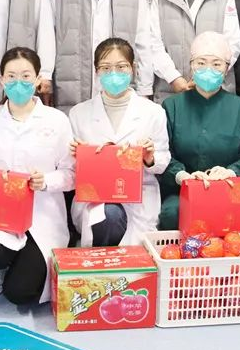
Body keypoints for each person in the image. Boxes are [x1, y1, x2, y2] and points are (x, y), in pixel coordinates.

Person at [0, 47, 75, 302]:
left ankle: (22, 261)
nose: (18, 82)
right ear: (1, 79)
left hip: (43, 213)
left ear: (38, 78)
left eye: (26, 76)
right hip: (2, 214)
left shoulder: (57, 120)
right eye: (11, 76)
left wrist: (46, 181)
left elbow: (71, 174)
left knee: (21, 293)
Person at [69, 38, 170, 246]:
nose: (113, 73)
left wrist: (149, 158)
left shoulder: (153, 112)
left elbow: (162, 161)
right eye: (106, 68)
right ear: (96, 71)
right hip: (95, 196)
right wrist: (77, 155)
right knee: (108, 215)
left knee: (132, 248)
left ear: (132, 68)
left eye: (121, 66)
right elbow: (68, 169)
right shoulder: (79, 113)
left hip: (138, 198)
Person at [158, 32, 240, 230]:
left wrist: (231, 172)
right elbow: (163, 152)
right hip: (181, 192)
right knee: (172, 214)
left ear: (227, 68)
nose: (208, 69)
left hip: (229, 190)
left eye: (216, 64)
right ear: (191, 65)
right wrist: (182, 175)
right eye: (201, 62)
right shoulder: (172, 107)